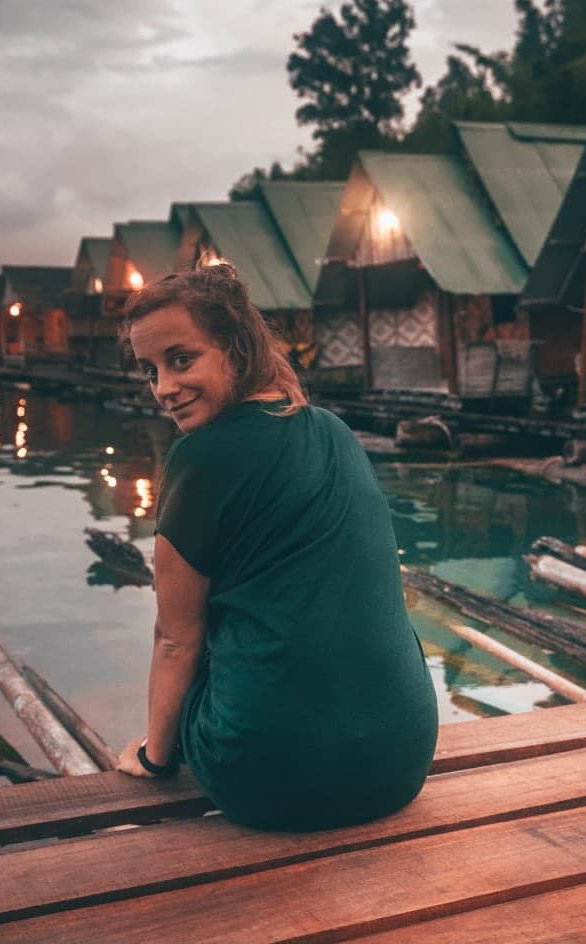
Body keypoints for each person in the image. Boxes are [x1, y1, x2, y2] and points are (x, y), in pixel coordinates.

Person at [115, 263, 438, 830]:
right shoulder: (334, 431)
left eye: (182, 359)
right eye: (150, 370)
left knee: (208, 641)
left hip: (269, 780)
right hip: (401, 760)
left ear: (236, 350)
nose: (164, 388)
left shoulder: (200, 458)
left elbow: (175, 639)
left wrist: (154, 759)